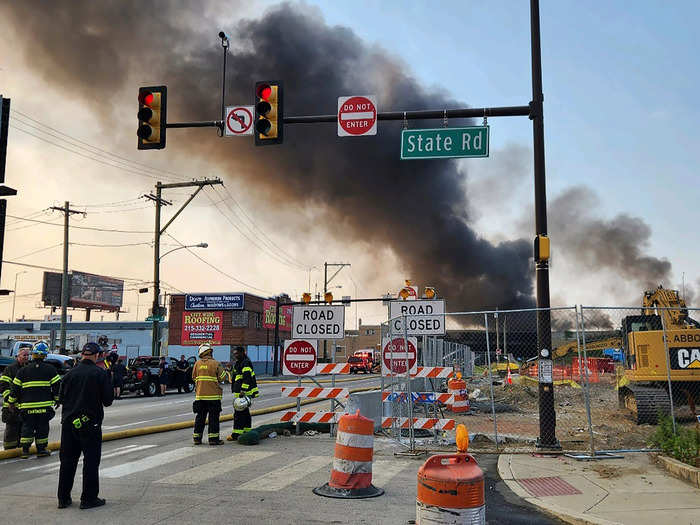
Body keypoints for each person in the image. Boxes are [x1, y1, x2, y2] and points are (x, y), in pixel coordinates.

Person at [57, 342, 114, 510]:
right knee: (90, 462)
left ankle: (63, 498)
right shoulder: (100, 374)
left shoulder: (69, 374)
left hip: (69, 424)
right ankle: (88, 499)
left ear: (82, 355)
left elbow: (60, 398)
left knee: (67, 461)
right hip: (90, 424)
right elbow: (108, 401)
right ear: (97, 356)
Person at [7, 342, 61, 458]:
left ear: (33, 355)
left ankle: (25, 451)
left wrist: (11, 402)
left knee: (27, 428)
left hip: (27, 407)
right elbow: (57, 387)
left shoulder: (23, 370)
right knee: (42, 429)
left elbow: (15, 389)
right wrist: (57, 400)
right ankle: (41, 450)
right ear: (45, 355)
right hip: (44, 407)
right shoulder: (51, 370)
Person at [191, 343, 227, 445]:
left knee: (200, 418)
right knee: (213, 419)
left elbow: (193, 377)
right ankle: (213, 439)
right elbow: (223, 378)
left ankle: (197, 439)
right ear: (210, 352)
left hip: (200, 396)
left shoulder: (197, 364)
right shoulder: (216, 364)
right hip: (213, 397)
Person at [227, 345, 259, 441]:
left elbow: (246, 377)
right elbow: (237, 375)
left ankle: (236, 434)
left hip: (244, 393)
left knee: (238, 414)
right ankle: (246, 430)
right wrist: (230, 370)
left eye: (237, 353)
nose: (235, 355)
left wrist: (243, 391)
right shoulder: (239, 363)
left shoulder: (245, 363)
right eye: (234, 354)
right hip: (240, 392)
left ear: (242, 353)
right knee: (245, 413)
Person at [1, 348, 29, 450]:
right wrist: (10, 401)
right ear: (18, 356)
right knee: (11, 432)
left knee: (24, 431)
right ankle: (9, 451)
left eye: (27, 355)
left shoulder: (28, 369)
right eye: (24, 355)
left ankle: (22, 450)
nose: (26, 357)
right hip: (12, 407)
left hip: (25, 406)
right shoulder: (10, 369)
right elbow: (4, 386)